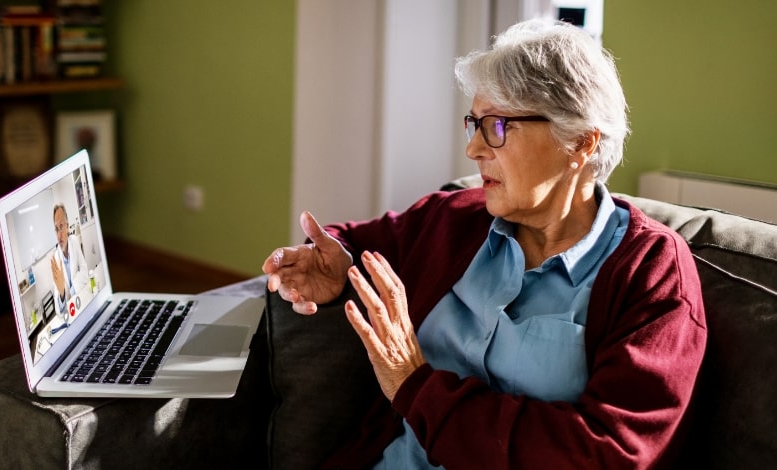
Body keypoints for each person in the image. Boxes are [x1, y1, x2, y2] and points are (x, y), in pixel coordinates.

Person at [262, 19, 706, 469]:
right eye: (473, 123)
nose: (473, 149)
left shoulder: (652, 271)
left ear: (580, 142)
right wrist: (336, 267)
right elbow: (355, 244)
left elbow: (607, 453)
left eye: (497, 126)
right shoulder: (455, 218)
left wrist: (414, 385)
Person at [50, 203, 89, 314]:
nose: (59, 235)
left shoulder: (74, 241)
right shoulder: (56, 261)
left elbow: (84, 270)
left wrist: (71, 292)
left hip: (82, 298)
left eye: (61, 227)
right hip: (70, 312)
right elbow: (59, 310)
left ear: (67, 226)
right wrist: (62, 294)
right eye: (56, 229)